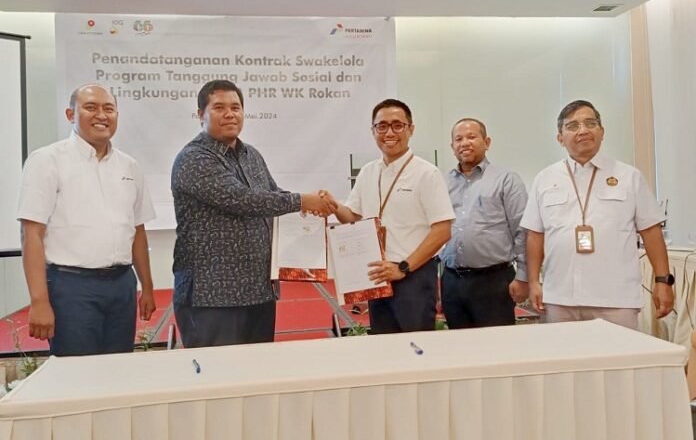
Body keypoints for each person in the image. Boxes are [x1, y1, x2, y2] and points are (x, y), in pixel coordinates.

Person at [171, 80, 334, 348]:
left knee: (259, 370)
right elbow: (244, 200)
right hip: (212, 297)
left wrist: (313, 205)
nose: (230, 114)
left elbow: (273, 194)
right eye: (219, 108)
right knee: (218, 373)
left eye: (236, 107)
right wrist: (303, 200)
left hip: (258, 292)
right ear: (201, 114)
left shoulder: (251, 154)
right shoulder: (193, 159)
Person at [17, 84, 156, 356]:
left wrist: (147, 287)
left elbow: (137, 230)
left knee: (118, 367)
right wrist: (39, 301)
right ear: (71, 114)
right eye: (91, 108)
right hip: (71, 287)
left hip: (121, 285)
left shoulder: (130, 166)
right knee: (76, 371)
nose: (101, 115)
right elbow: (31, 233)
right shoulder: (47, 160)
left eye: (109, 109)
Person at [520, 100, 674, 329]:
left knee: (620, 354)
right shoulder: (545, 179)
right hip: (560, 297)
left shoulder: (629, 176)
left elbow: (651, 231)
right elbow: (535, 235)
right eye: (572, 126)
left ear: (602, 132)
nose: (582, 130)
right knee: (565, 353)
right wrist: (533, 282)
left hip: (616, 298)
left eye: (590, 123)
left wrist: (663, 281)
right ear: (560, 137)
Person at [326, 99, 455, 334]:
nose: (389, 133)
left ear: (410, 129)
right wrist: (333, 206)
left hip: (413, 276)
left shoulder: (427, 173)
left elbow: (442, 231)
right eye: (382, 126)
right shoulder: (368, 172)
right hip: (377, 275)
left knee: (416, 346)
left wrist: (403, 268)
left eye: (397, 125)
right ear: (373, 131)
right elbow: (353, 216)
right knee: (384, 346)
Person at [439, 118, 528, 328]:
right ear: (452, 147)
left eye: (471, 137)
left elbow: (523, 231)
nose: (464, 143)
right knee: (459, 345)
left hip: (493, 281)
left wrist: (523, 277)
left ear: (487, 142)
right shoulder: (443, 182)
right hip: (452, 281)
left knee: (497, 345)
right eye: (458, 139)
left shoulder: (506, 179)